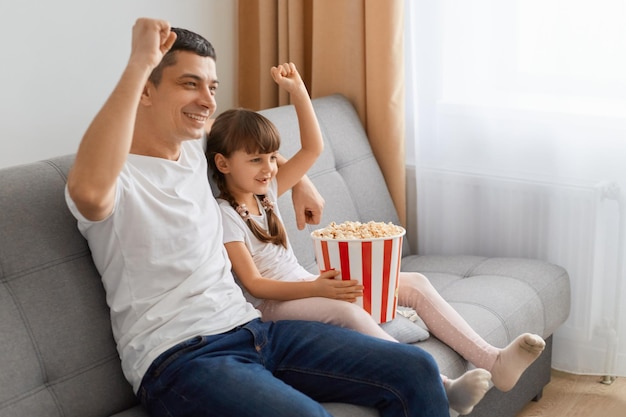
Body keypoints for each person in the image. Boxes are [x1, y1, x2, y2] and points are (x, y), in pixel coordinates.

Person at [65, 18, 450, 417]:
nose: (207, 99)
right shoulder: (115, 178)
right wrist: (140, 61)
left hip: (255, 331)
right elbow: (90, 193)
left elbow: (246, 145)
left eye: (211, 87)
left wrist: (296, 181)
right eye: (189, 84)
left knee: (417, 368)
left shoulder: (195, 151)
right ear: (146, 89)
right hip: (180, 359)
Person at [206, 65, 546, 416]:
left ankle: (494, 360)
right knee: (344, 309)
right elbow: (255, 285)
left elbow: (312, 148)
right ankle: (445, 388)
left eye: (271, 157)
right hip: (273, 309)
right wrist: (317, 289)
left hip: (306, 284)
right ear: (224, 164)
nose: (269, 167)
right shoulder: (225, 215)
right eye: (256, 160)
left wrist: (299, 92)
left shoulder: (268, 193)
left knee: (413, 283)